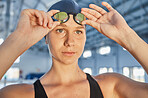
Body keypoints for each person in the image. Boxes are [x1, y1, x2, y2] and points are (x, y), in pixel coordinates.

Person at [0, 0, 148, 98]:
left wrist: (127, 36)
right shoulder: (19, 94)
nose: (70, 42)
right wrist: (18, 39)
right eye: (60, 30)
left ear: (85, 37)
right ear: (46, 36)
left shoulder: (111, 85)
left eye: (78, 31)